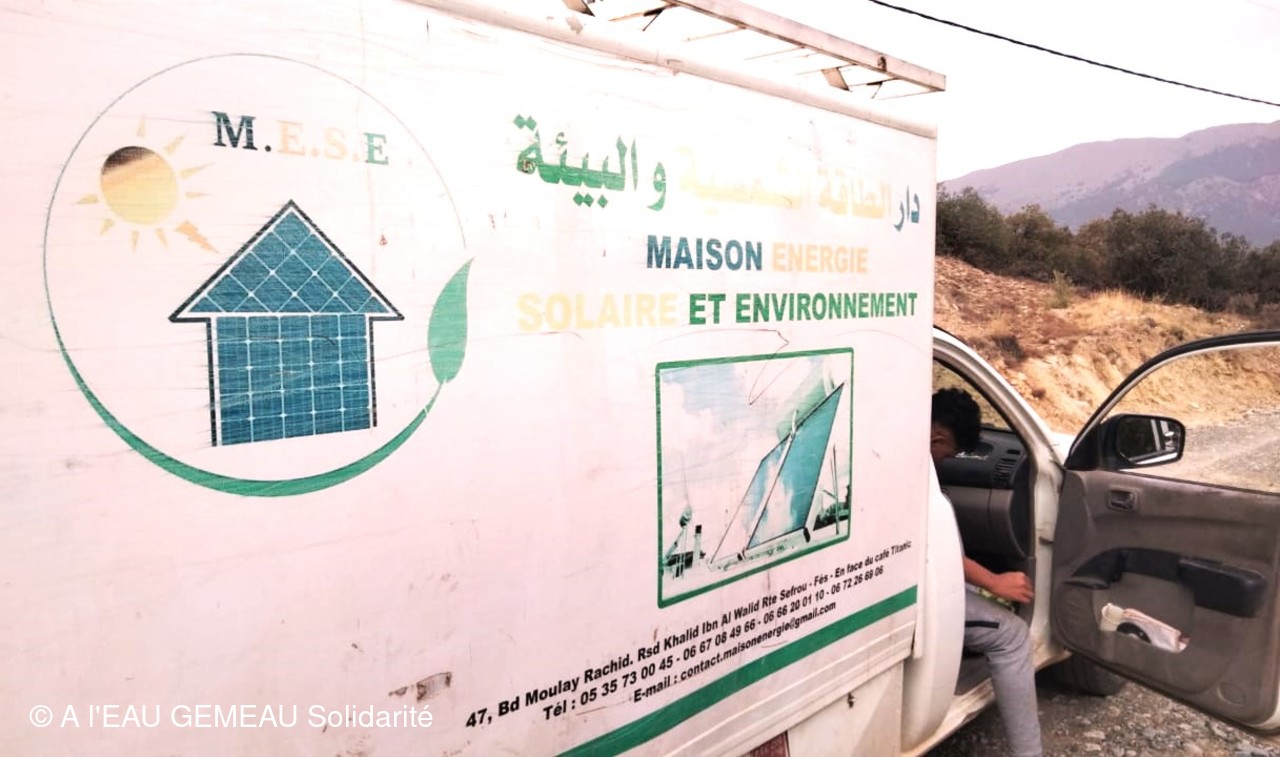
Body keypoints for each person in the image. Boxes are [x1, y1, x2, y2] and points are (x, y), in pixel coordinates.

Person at [932, 387, 1043, 757]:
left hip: (915, 578)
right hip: (919, 593)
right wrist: (994, 581)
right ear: (937, 437)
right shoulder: (912, 471)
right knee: (1013, 635)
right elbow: (934, 550)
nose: (946, 461)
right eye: (948, 453)